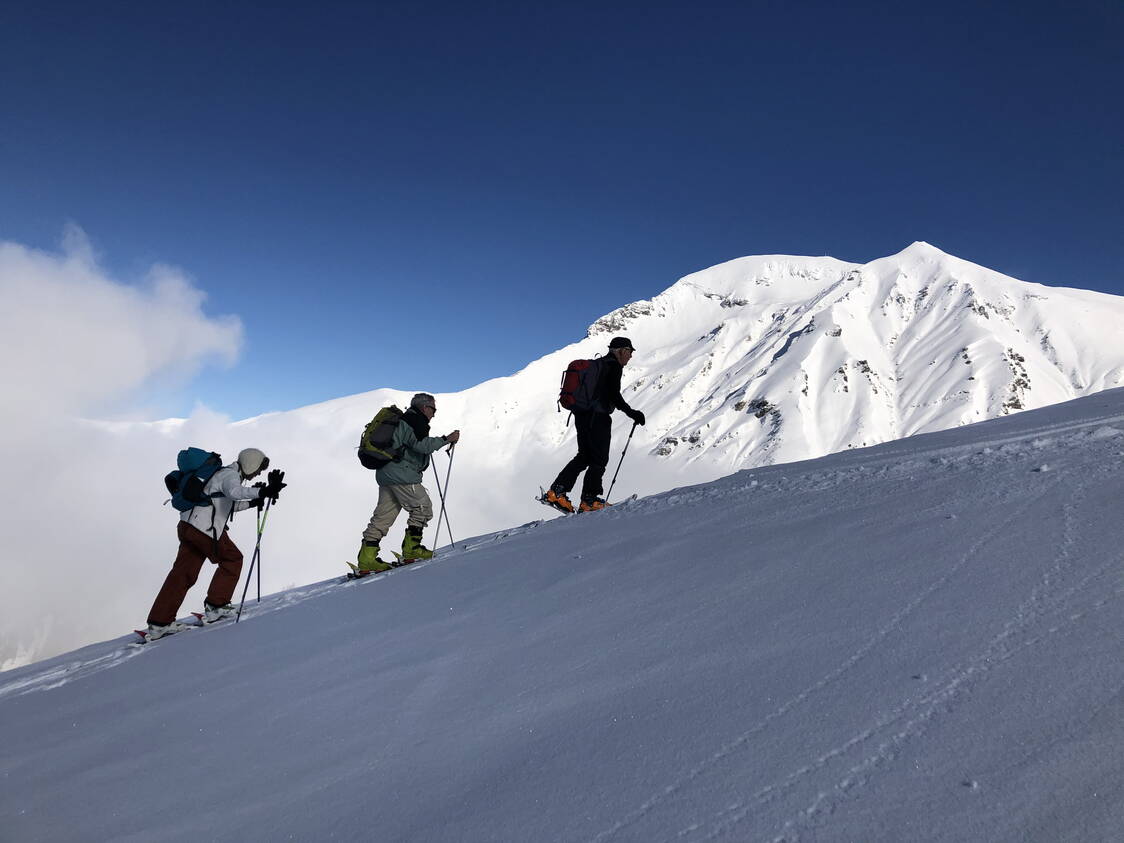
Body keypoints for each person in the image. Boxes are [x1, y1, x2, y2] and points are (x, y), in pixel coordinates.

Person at [144, 448, 286, 639]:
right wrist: (263, 491)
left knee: (182, 574)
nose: (257, 474)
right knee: (233, 559)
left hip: (188, 526)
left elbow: (226, 505)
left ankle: (159, 622)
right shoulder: (229, 475)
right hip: (204, 529)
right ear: (250, 463)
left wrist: (254, 501)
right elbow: (236, 493)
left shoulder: (220, 475)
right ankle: (217, 606)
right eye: (258, 469)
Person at [356, 393, 461, 572]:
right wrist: (446, 439)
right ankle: (412, 550)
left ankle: (367, 559)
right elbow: (421, 445)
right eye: (433, 409)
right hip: (402, 473)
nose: (434, 414)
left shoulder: (405, 420)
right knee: (422, 508)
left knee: (383, 516)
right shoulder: (415, 420)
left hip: (386, 472)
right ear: (424, 407)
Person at [543, 336, 646, 513]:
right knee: (599, 458)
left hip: (582, 415)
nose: (630, 356)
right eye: (629, 352)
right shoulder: (613, 366)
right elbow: (614, 394)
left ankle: (557, 493)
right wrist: (632, 413)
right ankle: (589, 501)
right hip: (597, 417)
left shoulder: (600, 364)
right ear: (621, 350)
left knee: (584, 456)